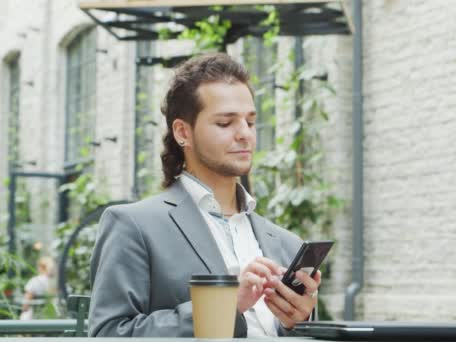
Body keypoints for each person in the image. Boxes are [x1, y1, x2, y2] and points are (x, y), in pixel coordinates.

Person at [88, 53, 321, 337]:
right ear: (183, 132)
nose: (244, 134)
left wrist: (295, 321)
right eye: (225, 123)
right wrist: (223, 306)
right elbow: (109, 333)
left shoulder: (286, 243)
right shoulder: (132, 226)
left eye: (250, 121)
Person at [19, 256, 55, 320]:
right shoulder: (53, 282)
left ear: (41, 267)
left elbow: (26, 302)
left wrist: (23, 310)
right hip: (49, 317)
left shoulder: (35, 281)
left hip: (33, 318)